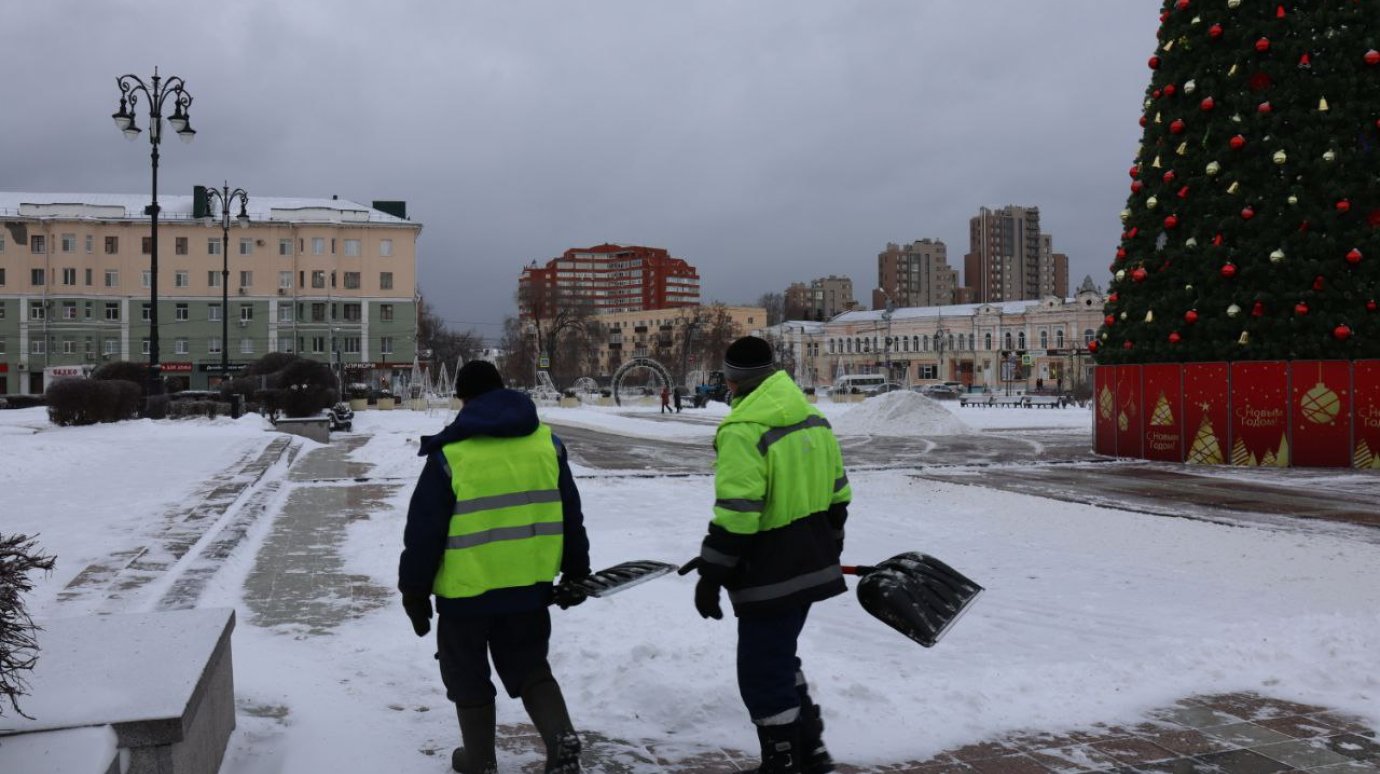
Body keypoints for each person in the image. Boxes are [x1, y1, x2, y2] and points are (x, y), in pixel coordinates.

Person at [399, 360, 591, 774]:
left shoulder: (451, 454)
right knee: (531, 668)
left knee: (466, 675)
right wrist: (577, 570)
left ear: (463, 399)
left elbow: (424, 532)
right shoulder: (547, 443)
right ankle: (561, 737)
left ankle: (480, 761)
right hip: (529, 588)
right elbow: (570, 513)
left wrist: (414, 591)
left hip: (465, 594)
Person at [689, 336, 851, 773]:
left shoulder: (744, 429)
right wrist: (828, 545)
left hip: (770, 571)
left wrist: (712, 573)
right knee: (779, 658)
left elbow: (739, 512)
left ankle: (782, 762)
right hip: (811, 561)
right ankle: (809, 751)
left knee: (761, 670)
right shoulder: (813, 418)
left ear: (732, 380)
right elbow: (839, 494)